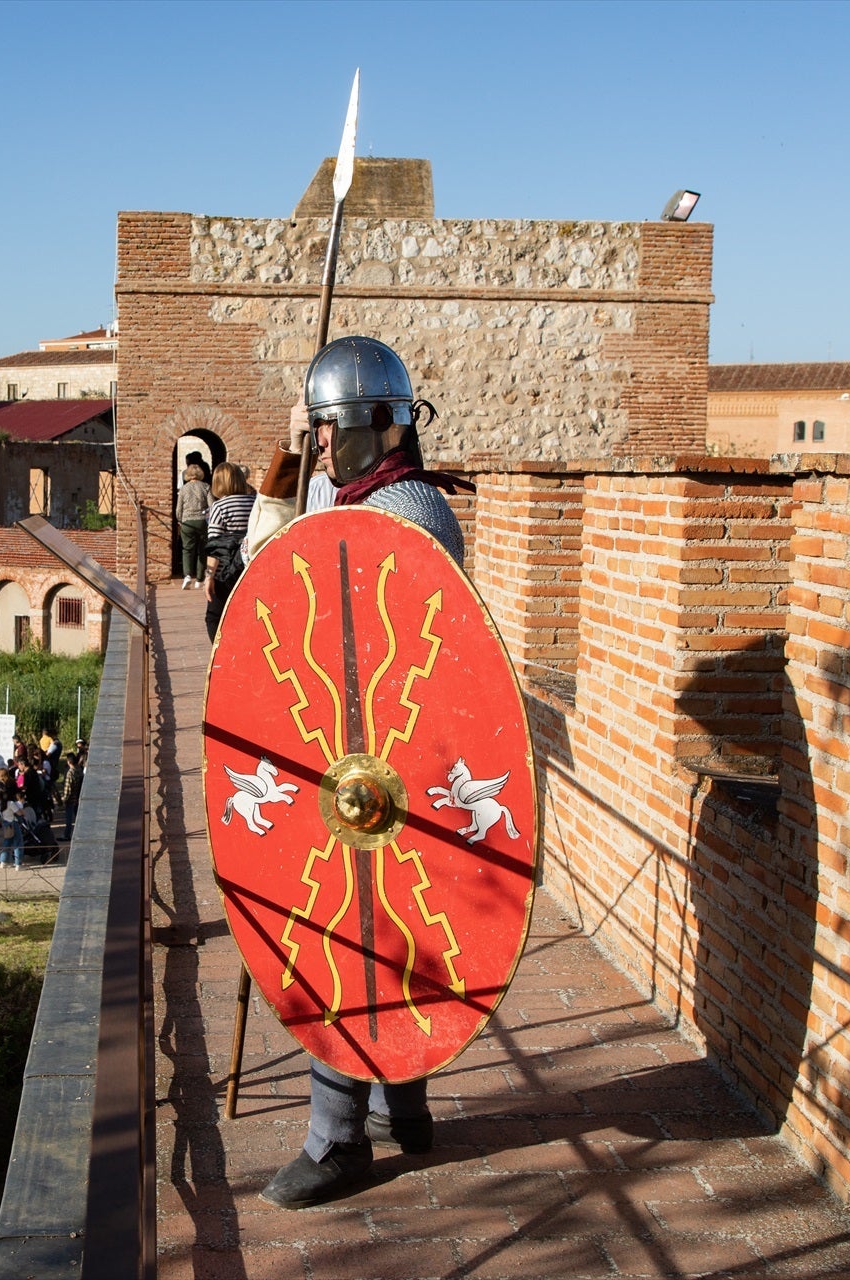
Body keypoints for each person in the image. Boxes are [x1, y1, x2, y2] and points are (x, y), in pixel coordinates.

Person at [244, 334, 472, 1211]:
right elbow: (262, 582)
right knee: (387, 933)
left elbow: (387, 640)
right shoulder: (354, 497)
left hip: (386, 762)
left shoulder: (406, 513)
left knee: (339, 937)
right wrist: (283, 452)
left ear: (376, 426)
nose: (325, 446)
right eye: (320, 432)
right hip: (360, 752)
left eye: (330, 430)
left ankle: (337, 1142)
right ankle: (399, 1107)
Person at [202, 461, 256, 642]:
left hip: (225, 571)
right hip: (250, 566)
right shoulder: (255, 502)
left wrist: (209, 576)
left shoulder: (219, 507)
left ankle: (221, 656)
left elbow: (216, 546)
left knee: (214, 617)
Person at [176, 459, 212, 589]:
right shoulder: (206, 487)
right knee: (202, 551)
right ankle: (199, 580)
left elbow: (178, 508)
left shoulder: (184, 489)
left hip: (187, 522)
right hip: (202, 522)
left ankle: (187, 576)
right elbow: (211, 506)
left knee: (187, 550)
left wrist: (180, 520)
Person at [0, 785, 27, 869]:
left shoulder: (0, 803)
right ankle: (18, 864)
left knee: (7, 843)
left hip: (6, 824)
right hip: (13, 824)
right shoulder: (10, 803)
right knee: (18, 843)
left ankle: (3, 862)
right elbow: (19, 813)